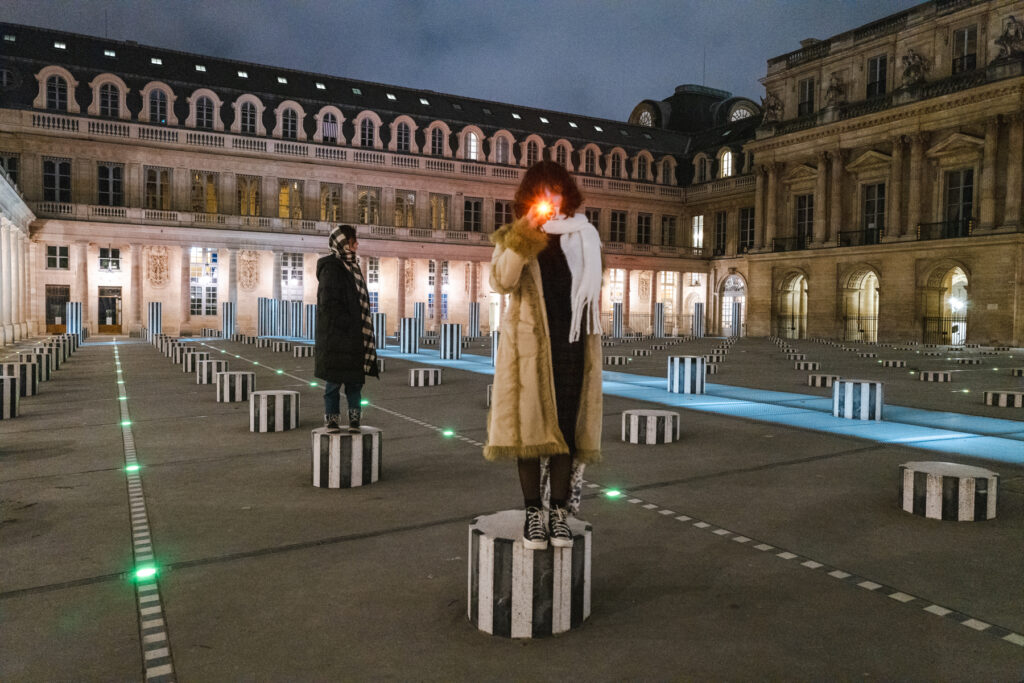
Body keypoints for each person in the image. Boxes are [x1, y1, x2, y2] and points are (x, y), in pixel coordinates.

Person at [484, 160, 603, 550]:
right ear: (529, 197)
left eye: (556, 190)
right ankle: (533, 513)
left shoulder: (584, 235)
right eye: (542, 191)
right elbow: (502, 281)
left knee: (566, 432)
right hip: (531, 350)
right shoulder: (514, 236)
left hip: (572, 344)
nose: (550, 198)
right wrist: (526, 232)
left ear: (565, 193)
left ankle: (558, 513)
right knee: (530, 433)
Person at [315, 224, 379, 433]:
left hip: (353, 335)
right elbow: (329, 304)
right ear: (343, 243)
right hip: (336, 336)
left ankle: (354, 420)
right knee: (333, 383)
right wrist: (348, 324)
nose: (357, 245)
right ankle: (332, 420)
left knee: (354, 383)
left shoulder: (353, 266)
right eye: (354, 242)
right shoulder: (332, 268)